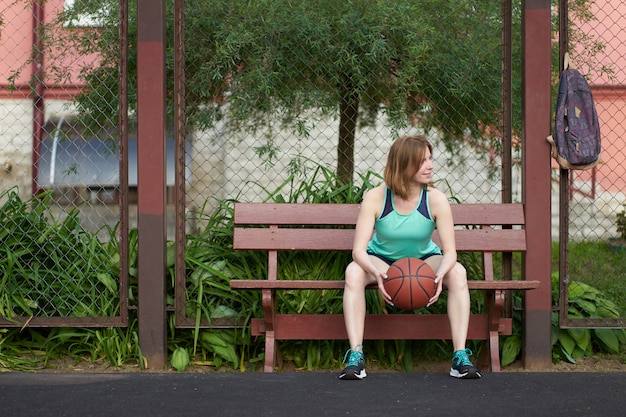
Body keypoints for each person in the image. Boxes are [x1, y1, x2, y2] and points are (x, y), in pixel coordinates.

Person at [339, 135, 481, 380]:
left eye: (430, 159)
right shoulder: (375, 197)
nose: (430, 165)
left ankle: (459, 356)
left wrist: (439, 275)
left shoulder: (435, 199)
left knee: (457, 272)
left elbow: (450, 252)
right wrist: (376, 273)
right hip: (381, 260)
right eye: (422, 160)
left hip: (425, 260)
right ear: (403, 164)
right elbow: (358, 251)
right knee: (353, 271)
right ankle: (356, 357)